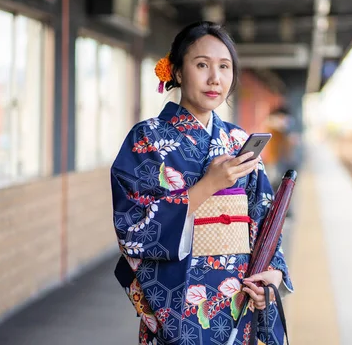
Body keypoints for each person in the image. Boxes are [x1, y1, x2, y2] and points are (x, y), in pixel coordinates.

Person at [111, 21, 293, 345]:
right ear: (178, 72)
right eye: (202, 65)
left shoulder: (239, 141)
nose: (215, 78)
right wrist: (209, 185)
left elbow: (266, 221)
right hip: (178, 312)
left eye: (224, 67)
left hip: (237, 308)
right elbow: (132, 228)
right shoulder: (147, 139)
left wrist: (272, 276)